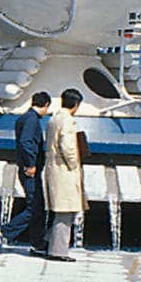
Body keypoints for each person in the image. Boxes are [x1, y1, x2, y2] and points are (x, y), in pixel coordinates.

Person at [0, 92, 52, 254]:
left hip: (28, 168)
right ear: (46, 104)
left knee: (38, 207)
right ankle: (3, 232)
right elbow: (26, 142)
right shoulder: (32, 120)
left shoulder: (26, 118)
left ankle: (38, 243)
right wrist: (30, 163)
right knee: (34, 207)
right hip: (30, 170)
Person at [42, 88, 87, 262]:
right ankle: (59, 251)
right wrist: (74, 164)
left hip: (53, 169)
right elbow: (67, 146)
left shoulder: (53, 119)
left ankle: (48, 244)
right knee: (65, 212)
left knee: (59, 211)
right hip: (64, 172)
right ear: (76, 105)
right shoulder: (67, 121)